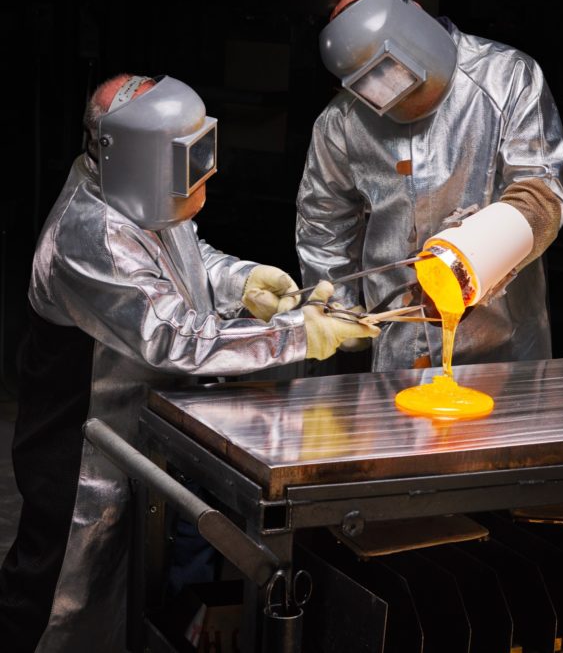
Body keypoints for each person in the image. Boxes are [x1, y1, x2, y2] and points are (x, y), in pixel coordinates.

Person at [0, 73, 378, 653]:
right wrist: (297, 334)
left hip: (139, 435)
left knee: (129, 598)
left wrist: (242, 281)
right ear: (129, 155)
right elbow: (179, 339)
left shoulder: (141, 192)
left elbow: (189, 254)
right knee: (60, 594)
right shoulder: (88, 236)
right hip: (83, 456)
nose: (206, 171)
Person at [296, 0, 563, 372]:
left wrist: (464, 262)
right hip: (397, 349)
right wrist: (336, 306)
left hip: (503, 346)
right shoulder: (341, 121)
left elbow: (541, 193)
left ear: (416, 15)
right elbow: (323, 222)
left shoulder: (506, 77)